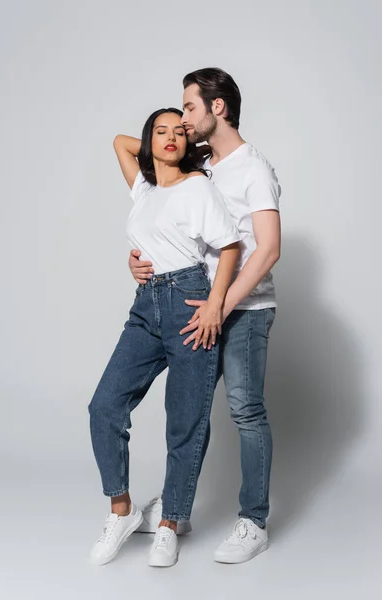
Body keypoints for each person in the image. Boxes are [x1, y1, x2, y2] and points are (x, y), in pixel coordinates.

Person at [129, 69, 281, 564]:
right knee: (189, 412)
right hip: (200, 303)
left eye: (189, 109)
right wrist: (141, 256)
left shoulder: (253, 168)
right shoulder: (201, 164)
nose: (183, 120)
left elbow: (268, 250)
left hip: (245, 309)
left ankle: (253, 521)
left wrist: (223, 303)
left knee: (245, 409)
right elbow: (142, 157)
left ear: (218, 108)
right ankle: (179, 508)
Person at [88, 107, 241, 568]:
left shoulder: (199, 188)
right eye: (161, 131)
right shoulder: (146, 189)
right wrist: (162, 148)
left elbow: (230, 246)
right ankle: (123, 510)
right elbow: (119, 140)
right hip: (146, 305)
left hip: (190, 300)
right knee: (105, 406)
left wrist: (215, 303)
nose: (172, 137)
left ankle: (172, 521)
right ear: (149, 139)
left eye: (180, 130)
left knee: (185, 420)